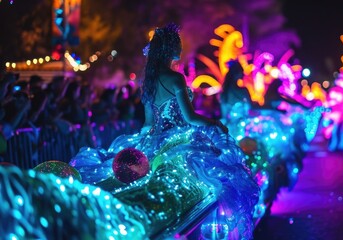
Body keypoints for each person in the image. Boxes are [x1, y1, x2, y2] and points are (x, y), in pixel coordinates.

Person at [1, 23, 259, 240]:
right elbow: (190, 118)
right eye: (177, 42)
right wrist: (214, 123)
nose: (180, 46)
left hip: (156, 140)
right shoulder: (175, 78)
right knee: (209, 173)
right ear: (170, 47)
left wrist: (146, 142)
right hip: (180, 138)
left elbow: (148, 124)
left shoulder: (150, 80)